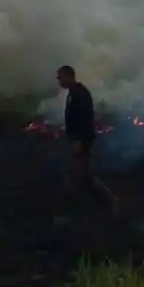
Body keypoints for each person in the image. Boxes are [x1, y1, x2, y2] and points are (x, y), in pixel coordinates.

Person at [56, 65, 118, 209]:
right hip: (76, 139)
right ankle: (105, 201)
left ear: (70, 76)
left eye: (61, 77)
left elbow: (85, 118)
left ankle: (106, 201)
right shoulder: (73, 93)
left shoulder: (80, 93)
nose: (59, 81)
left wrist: (79, 140)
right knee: (82, 174)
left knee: (78, 173)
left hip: (81, 140)